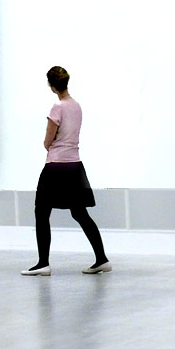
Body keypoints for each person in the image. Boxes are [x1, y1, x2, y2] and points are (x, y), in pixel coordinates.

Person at [21, 66, 111, 276]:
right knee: (80, 213)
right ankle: (102, 259)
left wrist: (49, 143)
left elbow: (47, 141)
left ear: (52, 86)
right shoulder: (77, 106)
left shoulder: (57, 108)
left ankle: (43, 263)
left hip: (56, 166)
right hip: (75, 167)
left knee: (41, 212)